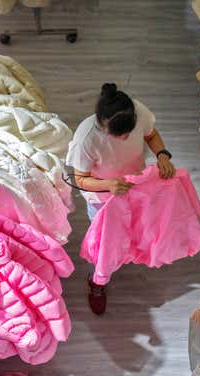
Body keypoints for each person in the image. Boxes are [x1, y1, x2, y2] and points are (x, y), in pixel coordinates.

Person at [66, 83, 176, 314]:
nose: (125, 137)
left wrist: (162, 156)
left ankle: (127, 256)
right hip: (102, 199)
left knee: (134, 229)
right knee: (103, 245)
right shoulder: (86, 138)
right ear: (102, 124)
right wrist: (108, 185)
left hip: (135, 188)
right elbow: (80, 179)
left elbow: (152, 134)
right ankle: (97, 281)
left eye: (129, 132)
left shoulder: (138, 111)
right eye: (119, 134)